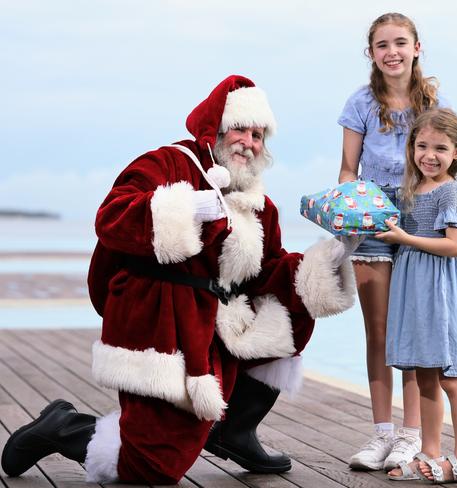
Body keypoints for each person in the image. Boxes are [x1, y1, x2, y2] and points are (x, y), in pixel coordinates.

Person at [1, 75, 359, 484]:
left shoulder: (258, 202)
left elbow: (269, 271)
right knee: (152, 467)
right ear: (217, 128)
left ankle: (234, 430)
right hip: (160, 321)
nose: (249, 141)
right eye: (241, 128)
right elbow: (112, 217)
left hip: (215, 325)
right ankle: (62, 427)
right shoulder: (168, 163)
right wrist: (186, 207)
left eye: (259, 135)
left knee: (293, 308)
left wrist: (333, 255)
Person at [337, 12, 448, 471]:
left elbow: (445, 161)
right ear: (372, 54)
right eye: (382, 45)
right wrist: (351, 212)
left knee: (411, 332)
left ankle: (410, 436)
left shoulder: (433, 103)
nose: (392, 52)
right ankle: (381, 434)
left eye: (400, 42)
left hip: (419, 217)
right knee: (379, 331)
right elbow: (348, 168)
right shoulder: (360, 102)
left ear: (417, 47)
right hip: (372, 216)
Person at [375, 108, 457, 483]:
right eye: (421, 146)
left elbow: (455, 245)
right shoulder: (411, 189)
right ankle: (430, 451)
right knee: (424, 376)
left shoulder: (449, 191)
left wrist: (403, 238)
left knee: (450, 376)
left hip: (438, 290)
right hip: (412, 288)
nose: (429, 155)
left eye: (439, 148)